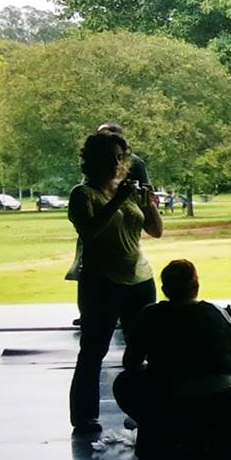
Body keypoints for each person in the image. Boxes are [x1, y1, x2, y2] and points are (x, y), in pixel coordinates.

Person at [68, 129, 163, 438]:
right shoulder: (83, 194)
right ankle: (85, 417)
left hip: (140, 278)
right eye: (108, 158)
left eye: (120, 158)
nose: (115, 164)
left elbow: (156, 231)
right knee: (93, 350)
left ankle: (142, 411)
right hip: (102, 282)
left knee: (143, 351)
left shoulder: (127, 190)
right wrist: (119, 199)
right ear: (91, 161)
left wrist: (148, 204)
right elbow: (90, 231)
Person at [114, 259, 231, 420]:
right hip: (219, 390)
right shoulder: (215, 311)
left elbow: (130, 362)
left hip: (167, 388)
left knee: (124, 382)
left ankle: (150, 421)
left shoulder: (149, 314)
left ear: (164, 289)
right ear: (196, 286)